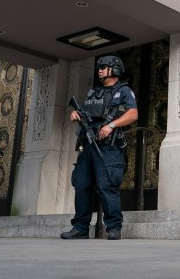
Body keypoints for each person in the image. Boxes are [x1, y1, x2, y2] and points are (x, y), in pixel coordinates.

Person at [61, 55, 138, 240]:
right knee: (82, 185)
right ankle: (80, 227)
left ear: (115, 69)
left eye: (104, 67)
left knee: (107, 186)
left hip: (108, 148)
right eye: (99, 67)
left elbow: (133, 114)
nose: (100, 70)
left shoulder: (123, 91)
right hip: (87, 145)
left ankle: (114, 227)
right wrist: (75, 114)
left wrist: (111, 125)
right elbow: (86, 113)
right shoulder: (93, 93)